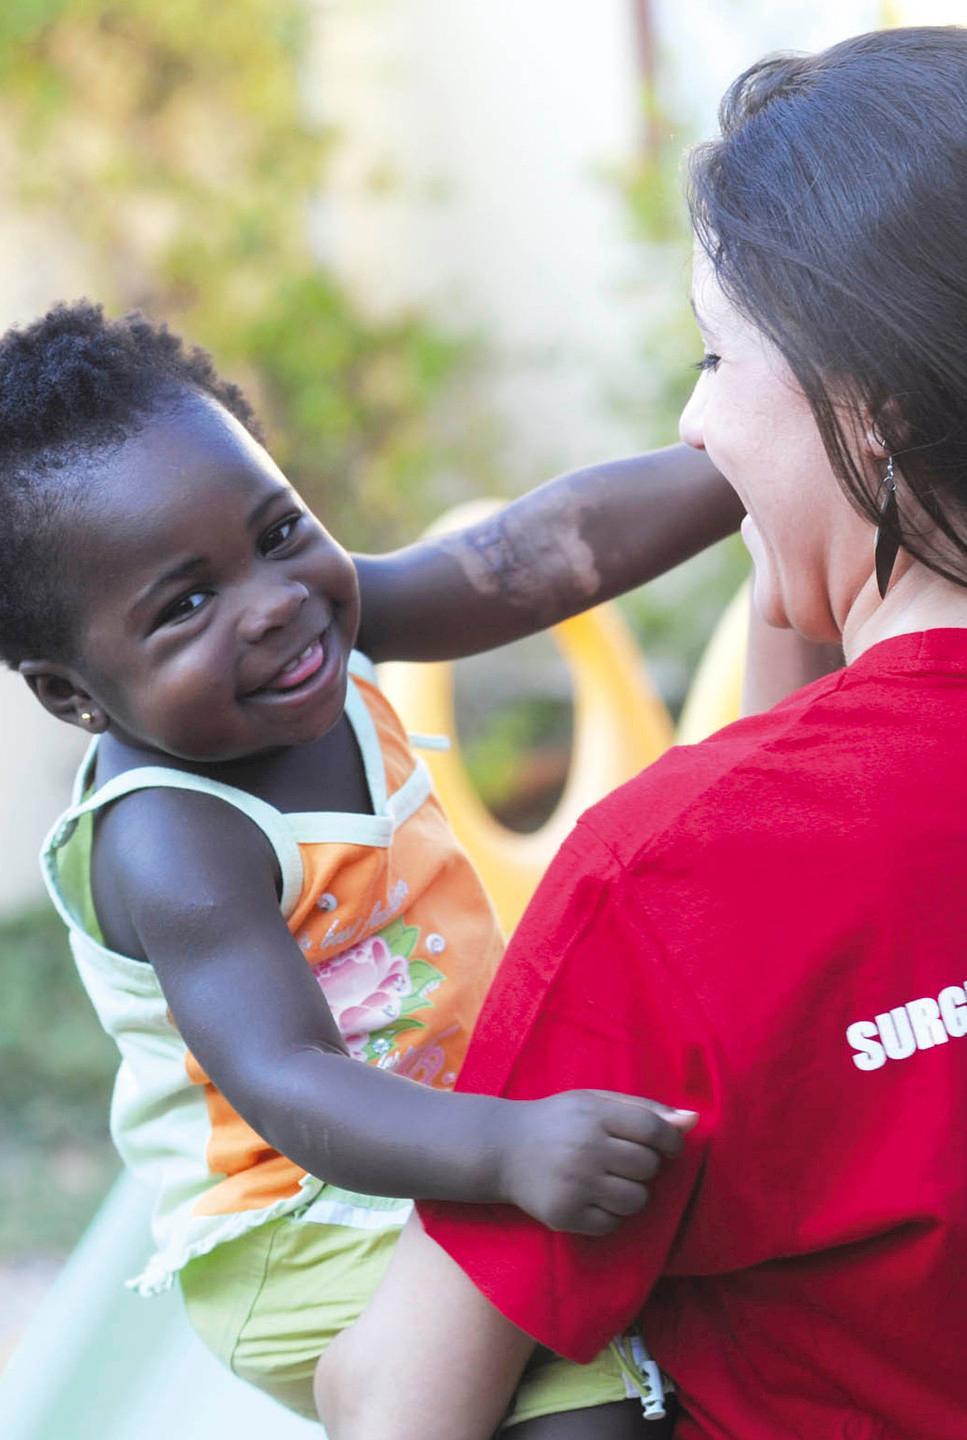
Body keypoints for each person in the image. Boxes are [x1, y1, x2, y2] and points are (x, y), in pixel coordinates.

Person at [315, 26, 967, 1440]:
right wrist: (827, 527)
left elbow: (398, 1403)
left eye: (716, 356)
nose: (690, 416)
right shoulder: (733, 853)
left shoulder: (666, 880)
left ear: (874, 410)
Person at [3, 300, 748, 1432]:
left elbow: (533, 555)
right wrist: (506, 1150)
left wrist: (762, 464)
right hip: (303, 1225)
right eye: (188, 603)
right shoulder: (173, 836)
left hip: (447, 1132)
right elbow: (293, 1080)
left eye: (279, 529)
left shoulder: (317, 627)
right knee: (594, 1410)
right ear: (73, 691)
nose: (274, 601)